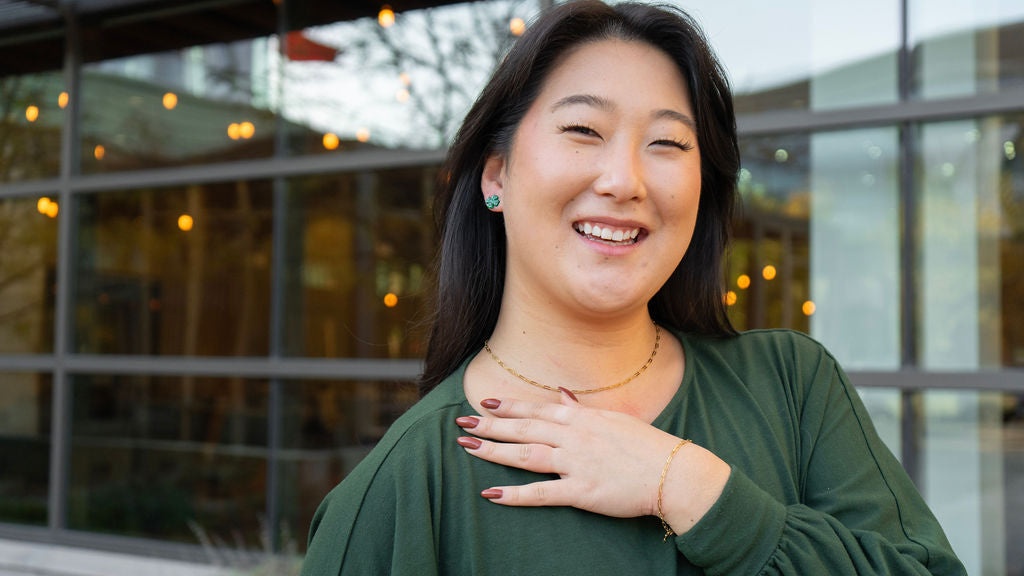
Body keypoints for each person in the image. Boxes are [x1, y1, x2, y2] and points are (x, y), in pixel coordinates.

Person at [300, 2, 966, 574]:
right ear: (496, 175)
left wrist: (691, 488)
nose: (624, 181)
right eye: (583, 130)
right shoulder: (404, 487)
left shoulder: (792, 386)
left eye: (668, 143)